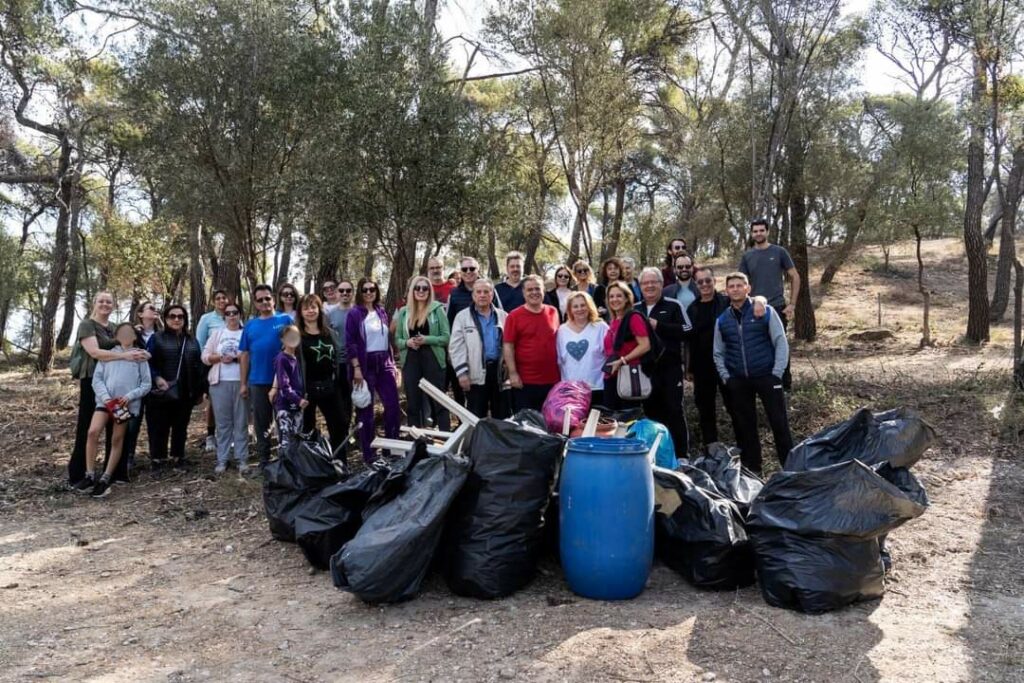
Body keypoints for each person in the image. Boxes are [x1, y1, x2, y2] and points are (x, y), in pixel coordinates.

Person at [713, 272, 794, 474]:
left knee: (779, 424)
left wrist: (777, 372)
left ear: (748, 288)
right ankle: (753, 471)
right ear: (727, 291)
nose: (736, 289)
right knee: (746, 428)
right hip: (739, 380)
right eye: (731, 286)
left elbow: (780, 342)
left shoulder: (764, 311)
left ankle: (791, 470)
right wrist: (727, 377)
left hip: (767, 376)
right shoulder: (722, 320)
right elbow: (718, 352)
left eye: (740, 285)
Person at [68, 292, 149, 489]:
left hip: (120, 389)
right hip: (94, 381)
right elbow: (95, 352)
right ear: (94, 303)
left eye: (109, 302)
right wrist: (126, 357)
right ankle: (81, 474)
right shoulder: (87, 325)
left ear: (114, 305)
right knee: (89, 428)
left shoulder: (113, 328)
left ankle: (112, 474)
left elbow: (128, 344)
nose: (105, 304)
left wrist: (138, 349)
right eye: (101, 301)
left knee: (117, 431)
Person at [738, 218, 800, 391]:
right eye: (755, 231)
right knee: (758, 347)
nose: (758, 233)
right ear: (752, 233)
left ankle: (784, 386)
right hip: (754, 309)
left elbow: (795, 276)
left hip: (777, 307)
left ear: (767, 231)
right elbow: (740, 281)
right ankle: (762, 386)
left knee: (780, 346)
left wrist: (792, 304)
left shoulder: (779, 252)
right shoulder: (747, 256)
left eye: (761, 230)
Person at [636, 267, 691, 459]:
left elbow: (687, 330)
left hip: (670, 369)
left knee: (674, 411)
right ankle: (658, 456)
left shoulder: (673, 305)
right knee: (652, 413)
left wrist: (659, 325)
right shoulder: (635, 309)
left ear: (661, 284)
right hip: (645, 371)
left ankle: (682, 456)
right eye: (645, 283)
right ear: (640, 286)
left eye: (654, 282)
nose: (649, 286)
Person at [346, 278, 401, 464]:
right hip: (365, 364)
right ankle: (369, 454)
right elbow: (351, 343)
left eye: (372, 289)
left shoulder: (381, 311)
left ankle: (391, 447)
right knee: (366, 411)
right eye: (365, 289)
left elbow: (387, 340)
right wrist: (356, 368)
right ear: (360, 293)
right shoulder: (354, 314)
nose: (369, 292)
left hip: (384, 363)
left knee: (392, 406)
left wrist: (393, 365)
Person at [147, 304, 204, 472]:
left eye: (180, 316)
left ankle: (178, 457)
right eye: (172, 316)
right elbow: (147, 363)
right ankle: (158, 459)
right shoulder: (157, 338)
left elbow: (199, 366)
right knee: (159, 426)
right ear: (165, 319)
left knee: (181, 426)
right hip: (162, 391)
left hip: (186, 392)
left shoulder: (192, 340)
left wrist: (200, 391)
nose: (177, 319)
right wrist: (156, 378)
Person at [239, 284, 292, 467]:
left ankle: (286, 459)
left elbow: (293, 348)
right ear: (255, 303)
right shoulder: (250, 325)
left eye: (267, 298)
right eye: (260, 299)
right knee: (262, 422)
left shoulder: (285, 319)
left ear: (274, 299)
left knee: (284, 420)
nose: (264, 302)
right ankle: (264, 460)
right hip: (257, 381)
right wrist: (243, 383)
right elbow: (244, 355)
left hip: (283, 381)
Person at [685, 267, 736, 448]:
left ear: (714, 281)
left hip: (726, 363)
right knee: (705, 409)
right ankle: (711, 448)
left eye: (708, 280)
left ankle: (744, 447)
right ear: (696, 285)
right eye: (700, 282)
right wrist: (689, 368)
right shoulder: (693, 308)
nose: (705, 284)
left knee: (734, 405)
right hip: (701, 366)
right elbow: (689, 340)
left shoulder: (726, 302)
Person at [395, 276, 451, 431]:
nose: (421, 291)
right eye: (417, 288)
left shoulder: (437, 309)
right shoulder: (404, 312)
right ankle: (417, 444)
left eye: (424, 288)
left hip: (433, 359)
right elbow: (398, 339)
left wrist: (427, 339)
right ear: (412, 291)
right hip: (411, 360)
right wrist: (407, 343)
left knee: (439, 401)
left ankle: (447, 441)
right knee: (413, 403)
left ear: (429, 291)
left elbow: (446, 337)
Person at [202, 301, 250, 474]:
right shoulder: (217, 334)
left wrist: (239, 358)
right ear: (224, 317)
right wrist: (220, 357)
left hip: (241, 381)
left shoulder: (246, 333)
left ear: (240, 315)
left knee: (241, 421)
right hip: (219, 382)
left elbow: (251, 355)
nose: (231, 316)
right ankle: (222, 459)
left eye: (234, 312)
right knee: (223, 423)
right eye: (228, 313)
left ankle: (242, 459)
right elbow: (205, 356)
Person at [450, 278, 509, 419]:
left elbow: (510, 344)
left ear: (492, 295)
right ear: (473, 295)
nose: (482, 295)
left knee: (502, 417)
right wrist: (461, 373)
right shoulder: (462, 317)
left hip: (500, 374)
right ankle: (477, 442)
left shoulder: (504, 316)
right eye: (479, 292)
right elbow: (456, 347)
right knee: (476, 417)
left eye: (486, 291)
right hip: (474, 373)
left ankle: (500, 442)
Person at [297, 294, 347, 454]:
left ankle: (340, 466)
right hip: (307, 389)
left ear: (319, 309)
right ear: (300, 312)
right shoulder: (296, 335)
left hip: (330, 386)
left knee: (339, 426)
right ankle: (311, 470)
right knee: (307, 429)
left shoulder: (330, 333)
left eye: (313, 307)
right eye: (306, 308)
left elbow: (339, 357)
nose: (310, 311)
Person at [504, 275, 560, 412]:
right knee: (526, 425)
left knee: (549, 423)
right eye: (530, 290)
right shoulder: (514, 316)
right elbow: (508, 346)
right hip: (525, 381)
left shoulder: (553, 312)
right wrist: (512, 373)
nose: (534, 292)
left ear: (544, 291)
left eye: (537, 289)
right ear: (523, 293)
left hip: (552, 380)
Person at [123, 300, 161, 472]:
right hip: (134, 385)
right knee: (132, 422)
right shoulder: (132, 334)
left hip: (155, 385)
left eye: (156, 309)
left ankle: (156, 457)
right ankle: (128, 457)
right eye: (151, 308)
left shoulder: (161, 334)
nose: (155, 311)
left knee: (155, 423)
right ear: (140, 314)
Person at [602, 281, 651, 409]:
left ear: (626, 298)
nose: (614, 299)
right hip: (611, 377)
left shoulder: (633, 318)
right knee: (612, 422)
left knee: (627, 421)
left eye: (619, 296)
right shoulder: (613, 320)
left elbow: (645, 345)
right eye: (611, 296)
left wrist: (623, 360)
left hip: (628, 377)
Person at [556, 292, 609, 406]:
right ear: (570, 310)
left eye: (583, 305)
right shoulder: (562, 331)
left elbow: (610, 355)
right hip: (571, 391)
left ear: (589, 306)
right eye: (575, 306)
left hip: (597, 388)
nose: (580, 309)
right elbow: (560, 361)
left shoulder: (600, 327)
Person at [196, 289, 229, 454]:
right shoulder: (206, 319)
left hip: (232, 368)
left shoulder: (234, 315)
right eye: (218, 298)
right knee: (213, 402)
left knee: (230, 402)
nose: (222, 300)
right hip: (212, 365)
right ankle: (210, 435)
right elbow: (200, 343)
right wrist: (208, 361)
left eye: (224, 298)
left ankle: (228, 435)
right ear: (213, 301)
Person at [447, 256, 483, 405]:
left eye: (472, 268)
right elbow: (449, 323)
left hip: (484, 353)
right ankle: (463, 424)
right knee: (460, 391)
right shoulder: (454, 294)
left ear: (478, 270)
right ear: (460, 272)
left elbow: (500, 317)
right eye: (464, 269)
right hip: (462, 350)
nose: (468, 272)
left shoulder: (487, 289)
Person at [325, 279, 354, 439]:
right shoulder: (330, 314)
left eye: (348, 291)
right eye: (341, 291)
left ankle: (349, 434)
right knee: (338, 399)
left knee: (351, 400)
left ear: (352, 293)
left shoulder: (358, 311)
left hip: (355, 363)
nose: (344, 294)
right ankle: (338, 434)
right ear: (337, 293)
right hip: (337, 364)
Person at [271, 325, 307, 455]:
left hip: (297, 406)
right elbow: (284, 384)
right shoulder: (282, 359)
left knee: (297, 438)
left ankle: (297, 468)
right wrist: (298, 400)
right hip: (285, 405)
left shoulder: (298, 358)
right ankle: (284, 469)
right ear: (282, 340)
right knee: (285, 439)